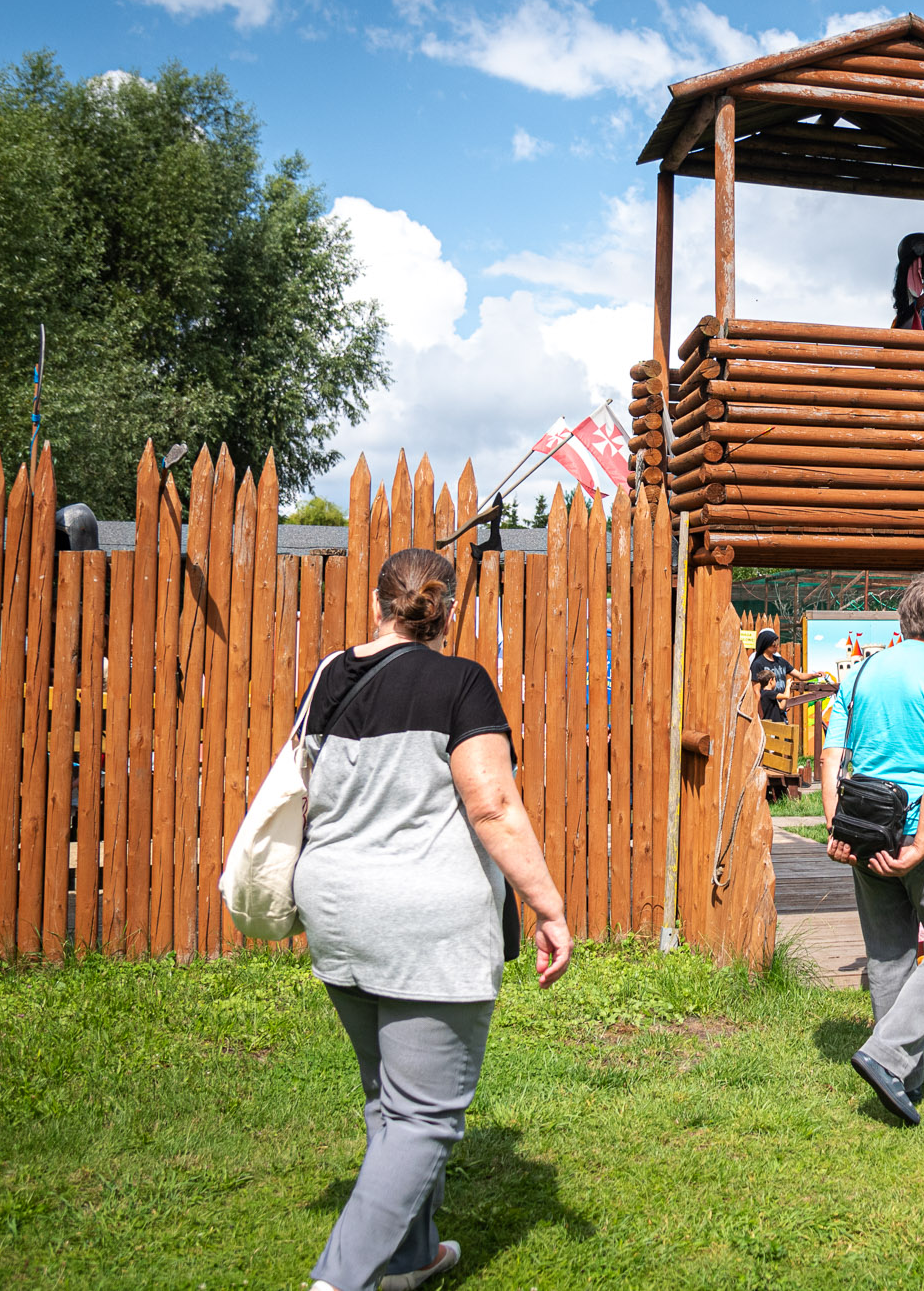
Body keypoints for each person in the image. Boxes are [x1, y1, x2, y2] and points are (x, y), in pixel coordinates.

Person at [298, 548, 573, 1291]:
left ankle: (412, 1256)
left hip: (333, 910)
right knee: (422, 1115)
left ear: (375, 603)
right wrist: (548, 905)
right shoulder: (461, 681)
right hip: (422, 919)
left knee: (389, 1094)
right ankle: (337, 1282)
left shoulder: (329, 674)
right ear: (447, 613)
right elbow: (492, 804)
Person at [822, 572, 924, 1125]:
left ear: (902, 621)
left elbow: (832, 753)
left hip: (865, 829)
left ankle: (898, 1079)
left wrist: (834, 827)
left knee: (888, 952)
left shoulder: (864, 670)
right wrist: (920, 846)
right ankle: (887, 1054)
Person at [748, 629, 793, 723]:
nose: (776, 646)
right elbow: (786, 695)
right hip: (771, 723)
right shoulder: (769, 693)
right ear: (771, 680)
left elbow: (781, 706)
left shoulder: (771, 694)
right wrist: (788, 686)